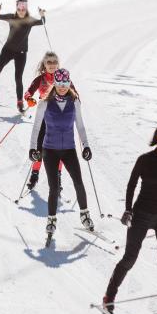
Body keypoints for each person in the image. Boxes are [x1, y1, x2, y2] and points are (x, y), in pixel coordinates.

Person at [102, 122, 157, 314]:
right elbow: (131, 185)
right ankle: (109, 298)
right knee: (129, 258)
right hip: (142, 213)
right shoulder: (144, 160)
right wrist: (128, 210)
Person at [29, 68, 93, 238]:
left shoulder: (75, 101)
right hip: (49, 149)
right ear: (55, 83)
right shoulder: (44, 103)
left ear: (69, 83)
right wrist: (32, 148)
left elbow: (80, 125)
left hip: (69, 150)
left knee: (78, 182)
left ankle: (85, 214)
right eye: (60, 83)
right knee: (54, 187)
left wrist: (86, 146)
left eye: (66, 83)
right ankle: (51, 220)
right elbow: (36, 128)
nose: (63, 87)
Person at [23, 51, 78, 191]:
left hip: (60, 119)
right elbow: (28, 92)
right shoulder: (40, 79)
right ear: (44, 64)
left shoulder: (63, 78)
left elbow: (75, 93)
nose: (52, 65)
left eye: (54, 62)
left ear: (58, 64)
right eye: (49, 62)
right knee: (40, 147)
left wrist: (76, 100)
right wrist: (29, 99)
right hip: (44, 118)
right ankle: (34, 174)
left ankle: (58, 177)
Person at [0, 0, 46, 112]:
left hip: (21, 53)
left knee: (18, 77)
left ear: (26, 9)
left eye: (23, 8)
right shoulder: (11, 17)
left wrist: (42, 15)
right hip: (7, 50)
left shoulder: (29, 20)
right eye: (19, 8)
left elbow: (42, 22)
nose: (21, 10)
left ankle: (19, 102)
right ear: (16, 8)